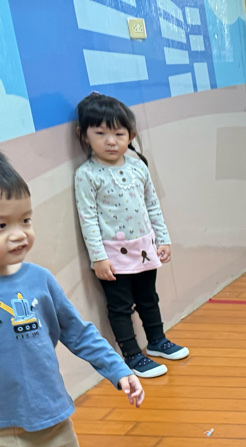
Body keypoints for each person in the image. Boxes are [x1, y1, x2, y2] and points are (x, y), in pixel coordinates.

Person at [0, 153, 144, 447]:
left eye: (25, 220)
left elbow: (77, 332)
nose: (19, 234)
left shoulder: (39, 282)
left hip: (49, 421)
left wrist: (118, 369)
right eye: (2, 225)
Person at [74, 92, 189, 379]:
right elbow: (88, 219)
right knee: (120, 307)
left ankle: (157, 341)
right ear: (84, 135)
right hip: (112, 255)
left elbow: (152, 205)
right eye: (100, 133)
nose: (111, 141)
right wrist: (98, 258)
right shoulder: (87, 174)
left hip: (145, 248)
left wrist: (163, 239)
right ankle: (132, 355)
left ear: (131, 136)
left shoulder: (138, 166)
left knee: (149, 298)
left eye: (118, 134)